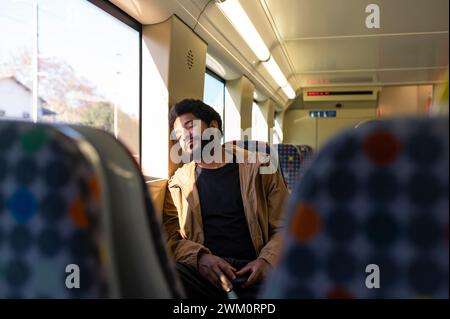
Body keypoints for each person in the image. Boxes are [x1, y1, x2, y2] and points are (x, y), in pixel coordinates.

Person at [163, 99, 288, 299]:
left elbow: (287, 226)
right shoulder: (177, 184)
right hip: (205, 273)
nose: (183, 137)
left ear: (213, 127)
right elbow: (172, 238)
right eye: (178, 135)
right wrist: (201, 258)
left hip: (256, 268)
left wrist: (267, 261)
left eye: (190, 127)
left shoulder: (261, 167)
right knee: (166, 276)